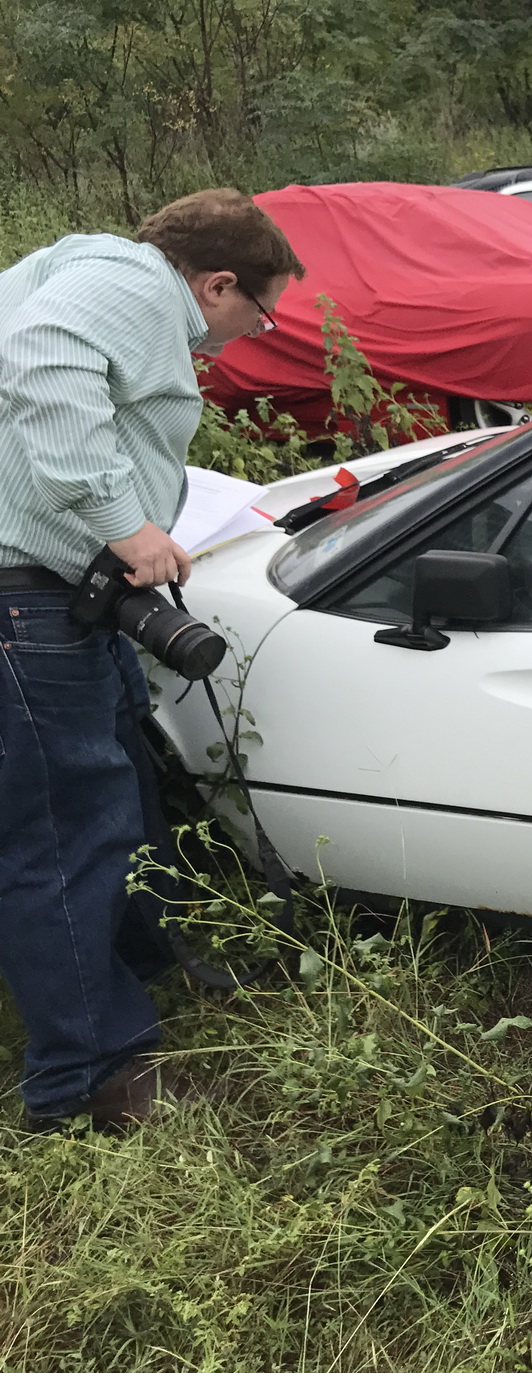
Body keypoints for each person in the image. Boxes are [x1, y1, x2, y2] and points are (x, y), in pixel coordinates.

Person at [0, 189, 303, 1128]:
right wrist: (125, 523)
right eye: (261, 312)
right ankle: (86, 1077)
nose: (255, 332)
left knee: (121, 784)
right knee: (66, 833)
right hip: (30, 598)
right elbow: (40, 364)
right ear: (217, 284)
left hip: (60, 595)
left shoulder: (84, 263)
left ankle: (129, 976)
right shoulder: (132, 283)